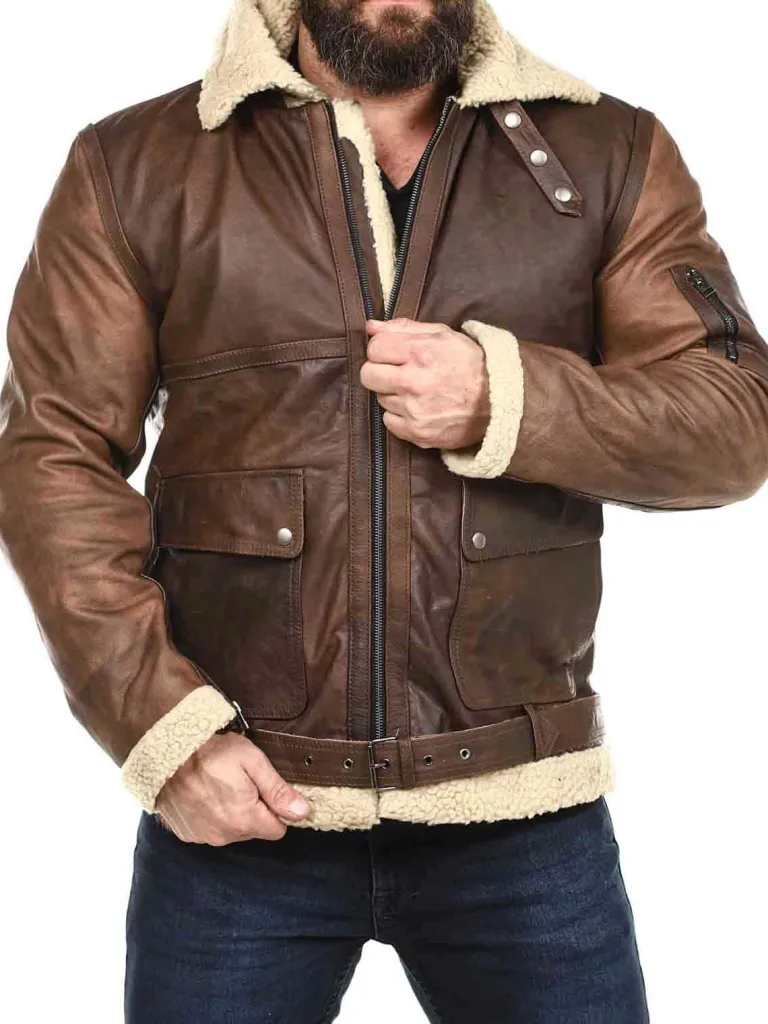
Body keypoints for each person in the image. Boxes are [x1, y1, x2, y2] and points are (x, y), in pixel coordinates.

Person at [1, 0, 767, 1020]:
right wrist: (164, 731)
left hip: (524, 811)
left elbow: (732, 423)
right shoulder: (136, 162)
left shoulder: (610, 150)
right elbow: (53, 456)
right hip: (243, 806)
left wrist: (507, 400)